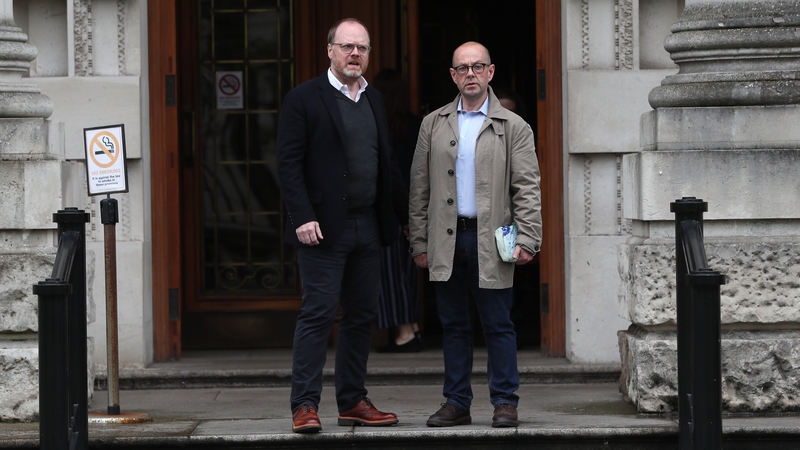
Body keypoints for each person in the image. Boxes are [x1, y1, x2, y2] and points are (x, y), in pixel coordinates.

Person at [276, 18, 408, 434]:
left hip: (368, 226)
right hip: (321, 229)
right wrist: (302, 217)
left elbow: (383, 164)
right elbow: (288, 164)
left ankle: (352, 400)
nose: (355, 54)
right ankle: (304, 405)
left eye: (362, 48)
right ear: (330, 50)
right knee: (317, 313)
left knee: (361, 316)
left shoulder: (372, 99)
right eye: (347, 46)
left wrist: (406, 219)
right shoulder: (304, 99)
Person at [408, 41, 542, 428]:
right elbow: (419, 188)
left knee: (498, 323)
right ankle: (456, 403)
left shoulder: (513, 126)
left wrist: (528, 238)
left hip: (492, 239)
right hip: (446, 239)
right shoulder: (433, 123)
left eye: (477, 67)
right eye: (462, 68)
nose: (470, 73)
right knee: (453, 325)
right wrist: (419, 241)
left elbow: (527, 188)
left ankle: (504, 402)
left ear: (490, 72)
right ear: (453, 75)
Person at [371, 68, 424, 353]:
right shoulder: (416, 125)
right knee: (408, 269)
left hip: (387, 208)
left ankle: (404, 333)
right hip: (414, 205)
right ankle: (412, 328)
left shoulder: (380, 127)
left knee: (389, 273)